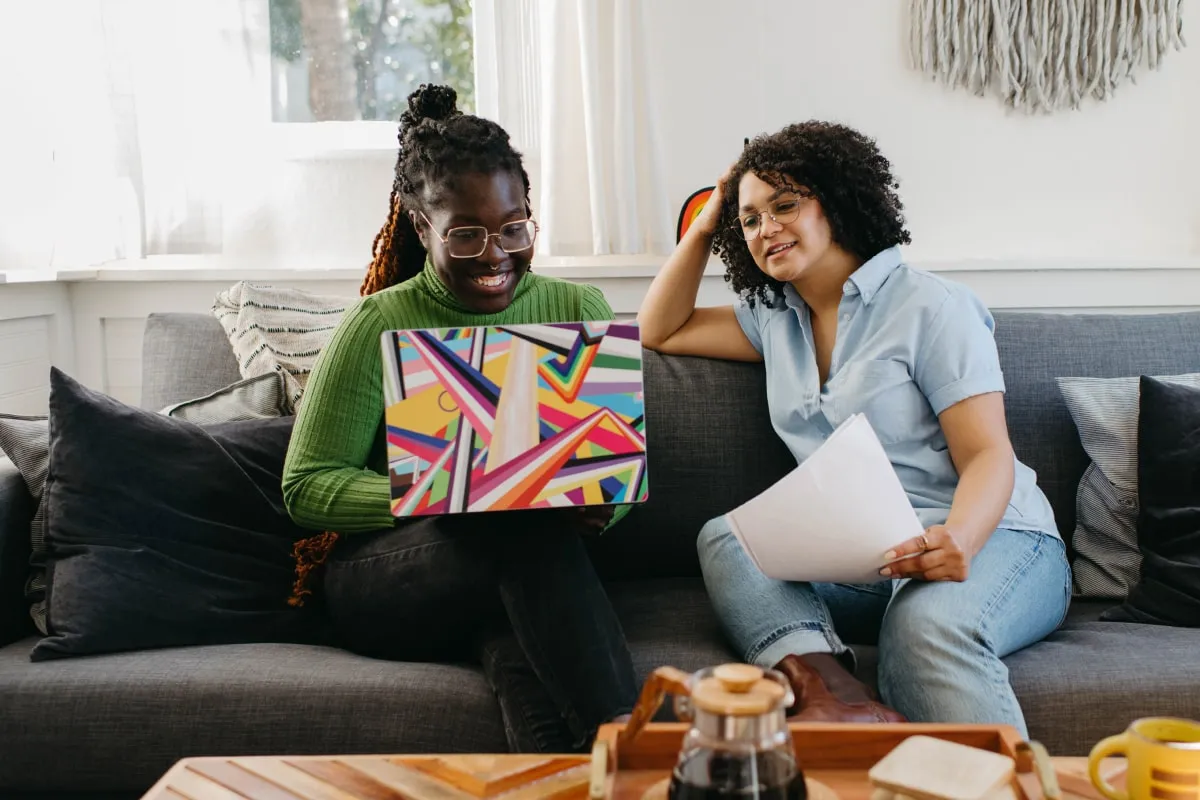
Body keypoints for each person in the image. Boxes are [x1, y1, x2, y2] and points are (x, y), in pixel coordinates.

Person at [636, 121, 1070, 736]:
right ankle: (834, 700)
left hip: (995, 540)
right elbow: (661, 329)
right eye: (751, 220)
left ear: (836, 201)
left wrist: (960, 542)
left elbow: (987, 455)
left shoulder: (931, 307)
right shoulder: (773, 320)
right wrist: (708, 223)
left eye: (785, 204)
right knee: (729, 540)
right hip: (871, 552)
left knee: (925, 626)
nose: (766, 229)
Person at [282, 84, 637, 753]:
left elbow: (615, 466)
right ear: (423, 229)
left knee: (519, 627)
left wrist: (598, 505)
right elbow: (306, 486)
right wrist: (454, 492)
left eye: (513, 227)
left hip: (529, 572)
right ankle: (631, 749)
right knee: (514, 522)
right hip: (390, 579)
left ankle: (587, 773)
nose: (495, 252)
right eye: (466, 233)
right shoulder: (379, 321)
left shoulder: (578, 305)